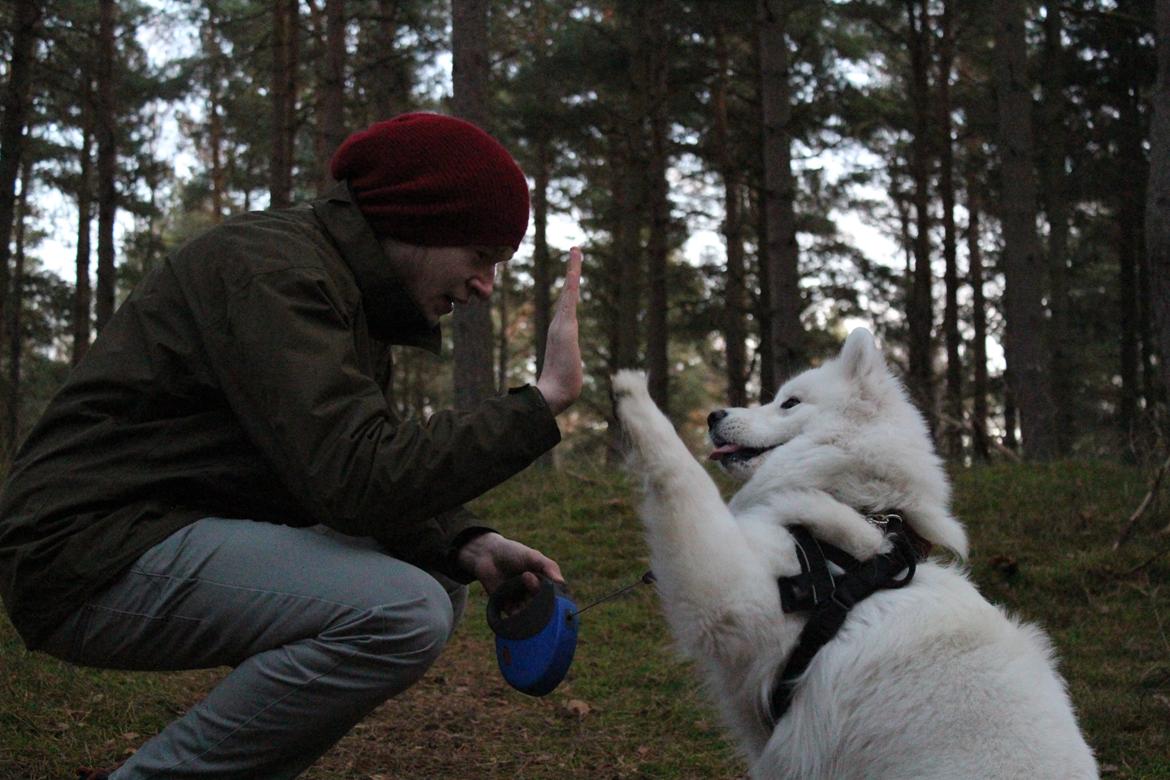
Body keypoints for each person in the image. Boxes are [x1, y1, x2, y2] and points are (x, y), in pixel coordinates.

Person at [0, 112, 584, 779]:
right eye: (480, 256)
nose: (484, 286)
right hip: (83, 549)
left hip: (151, 531)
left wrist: (467, 543)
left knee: (435, 583)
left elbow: (338, 458)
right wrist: (540, 404)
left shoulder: (336, 290)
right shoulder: (275, 272)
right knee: (403, 611)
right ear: (418, 218)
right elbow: (355, 477)